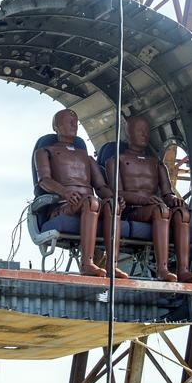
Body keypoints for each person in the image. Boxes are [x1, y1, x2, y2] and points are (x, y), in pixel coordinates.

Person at [108, 115, 192, 284]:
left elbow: (167, 193)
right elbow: (118, 193)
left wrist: (174, 199)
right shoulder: (117, 160)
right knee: (161, 210)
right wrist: (143, 200)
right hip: (133, 210)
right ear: (128, 133)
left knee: (182, 213)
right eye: (139, 130)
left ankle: (183, 270)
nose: (144, 134)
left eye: (147, 131)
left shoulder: (156, 163)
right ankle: (162, 269)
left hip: (155, 207)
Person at [34, 108, 127, 278]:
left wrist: (114, 198)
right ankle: (86, 263)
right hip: (62, 206)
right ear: (56, 126)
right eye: (69, 122)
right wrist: (64, 192)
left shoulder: (87, 158)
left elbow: (101, 187)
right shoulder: (45, 152)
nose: (74, 125)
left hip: (89, 204)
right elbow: (44, 181)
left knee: (110, 205)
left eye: (75, 122)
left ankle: (111, 264)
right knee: (91, 202)